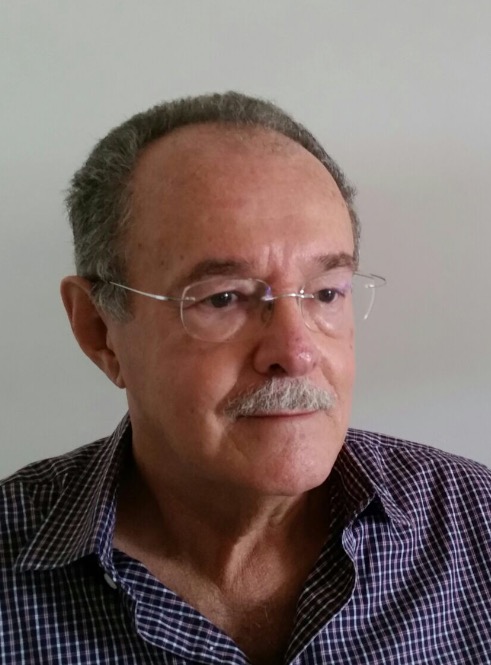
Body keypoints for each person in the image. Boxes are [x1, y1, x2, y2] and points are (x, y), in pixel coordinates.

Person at [1, 92, 490, 665]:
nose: (296, 353)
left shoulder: (476, 526)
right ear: (99, 330)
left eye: (325, 293)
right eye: (223, 298)